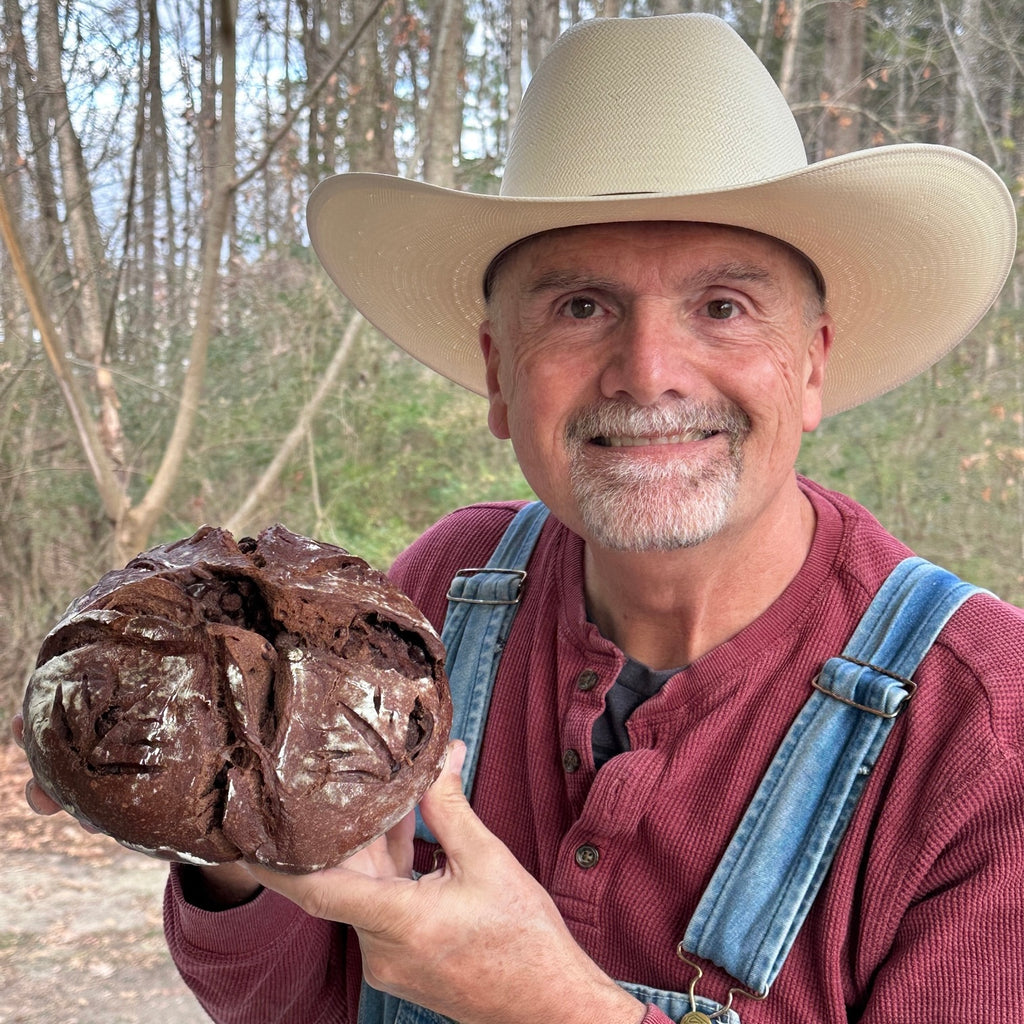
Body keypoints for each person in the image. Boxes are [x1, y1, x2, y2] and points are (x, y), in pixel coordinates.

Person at [15, 12, 1024, 1024]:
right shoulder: (430, 601)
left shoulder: (983, 726)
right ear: (501, 376)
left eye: (722, 305)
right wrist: (219, 825)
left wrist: (557, 1007)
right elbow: (296, 1004)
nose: (649, 373)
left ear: (810, 364)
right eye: (581, 306)